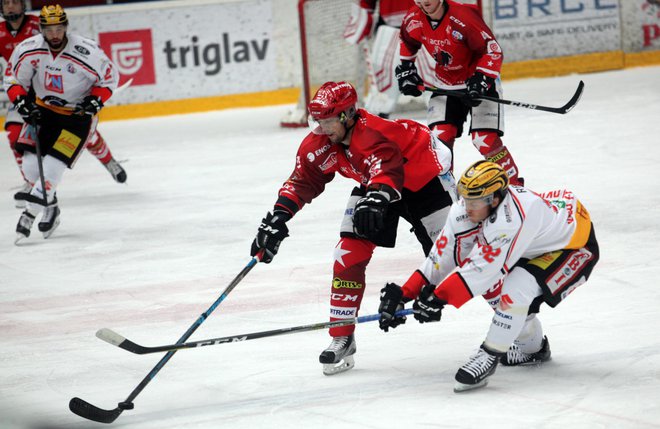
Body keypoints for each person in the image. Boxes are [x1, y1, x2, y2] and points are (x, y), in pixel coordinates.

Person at [250, 81, 455, 375]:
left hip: (426, 180)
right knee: (347, 254)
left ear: (347, 115)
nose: (320, 128)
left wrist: (378, 196)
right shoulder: (321, 142)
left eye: (328, 120)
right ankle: (341, 336)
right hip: (376, 185)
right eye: (317, 120)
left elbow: (387, 166)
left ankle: (525, 334)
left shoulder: (374, 133)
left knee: (458, 259)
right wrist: (279, 216)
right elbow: (302, 181)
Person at [378, 160, 599, 392]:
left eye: (474, 201)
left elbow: (480, 272)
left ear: (494, 199)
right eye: (465, 198)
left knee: (516, 288)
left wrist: (438, 299)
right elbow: (440, 258)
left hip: (574, 246)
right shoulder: (465, 209)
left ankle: (489, 354)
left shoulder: (512, 218)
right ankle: (535, 350)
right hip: (538, 240)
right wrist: (404, 294)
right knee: (516, 304)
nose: (467, 207)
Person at [5, 4, 119, 243]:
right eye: (49, 30)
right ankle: (52, 207)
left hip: (75, 117)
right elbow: (14, 79)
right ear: (42, 30)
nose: (55, 35)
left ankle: (30, 213)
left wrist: (96, 100)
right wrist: (21, 101)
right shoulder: (28, 49)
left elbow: (109, 78)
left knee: (53, 169)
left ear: (66, 27)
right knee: (30, 169)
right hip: (43, 111)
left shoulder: (86, 50)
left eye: (59, 28)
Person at [395, 0, 524, 186]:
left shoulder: (463, 17)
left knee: (484, 139)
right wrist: (407, 68)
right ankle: (446, 193)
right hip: (445, 85)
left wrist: (481, 79)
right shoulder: (413, 18)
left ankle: (514, 187)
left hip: (480, 83)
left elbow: (492, 51)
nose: (424, 1)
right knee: (439, 141)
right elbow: (408, 41)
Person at [343, 0, 440, 118]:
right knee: (383, 89)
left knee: (435, 84)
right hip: (390, 29)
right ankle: (377, 126)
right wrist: (364, 20)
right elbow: (367, 4)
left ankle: (441, 126)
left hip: (426, 26)